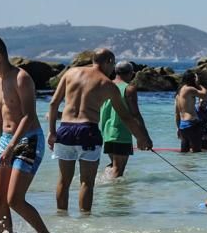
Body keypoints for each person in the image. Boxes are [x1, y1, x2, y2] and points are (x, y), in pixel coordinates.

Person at [47, 48, 152, 213]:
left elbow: (53, 104)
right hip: (87, 130)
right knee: (87, 182)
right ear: (109, 62)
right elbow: (125, 116)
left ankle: (62, 219)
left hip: (65, 129)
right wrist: (140, 138)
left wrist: (52, 132)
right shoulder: (106, 83)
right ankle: (85, 221)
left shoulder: (70, 73)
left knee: (63, 181)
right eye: (113, 64)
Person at [0, 36, 56, 233]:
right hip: (5, 139)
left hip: (28, 139)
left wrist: (11, 146)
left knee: (14, 199)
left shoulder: (22, 78)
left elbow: (29, 116)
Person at [100, 61, 145, 177]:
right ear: (131, 73)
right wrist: (144, 137)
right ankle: (113, 193)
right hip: (121, 134)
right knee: (118, 170)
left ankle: (103, 185)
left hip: (106, 132)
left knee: (113, 166)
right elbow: (136, 114)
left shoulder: (105, 86)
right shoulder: (129, 89)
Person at [175, 70, 207, 153]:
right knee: (197, 152)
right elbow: (206, 95)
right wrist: (198, 84)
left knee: (184, 153)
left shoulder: (178, 93)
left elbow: (177, 113)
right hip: (192, 124)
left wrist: (178, 128)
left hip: (183, 126)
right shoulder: (189, 89)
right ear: (193, 79)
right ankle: (194, 166)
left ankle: (184, 166)